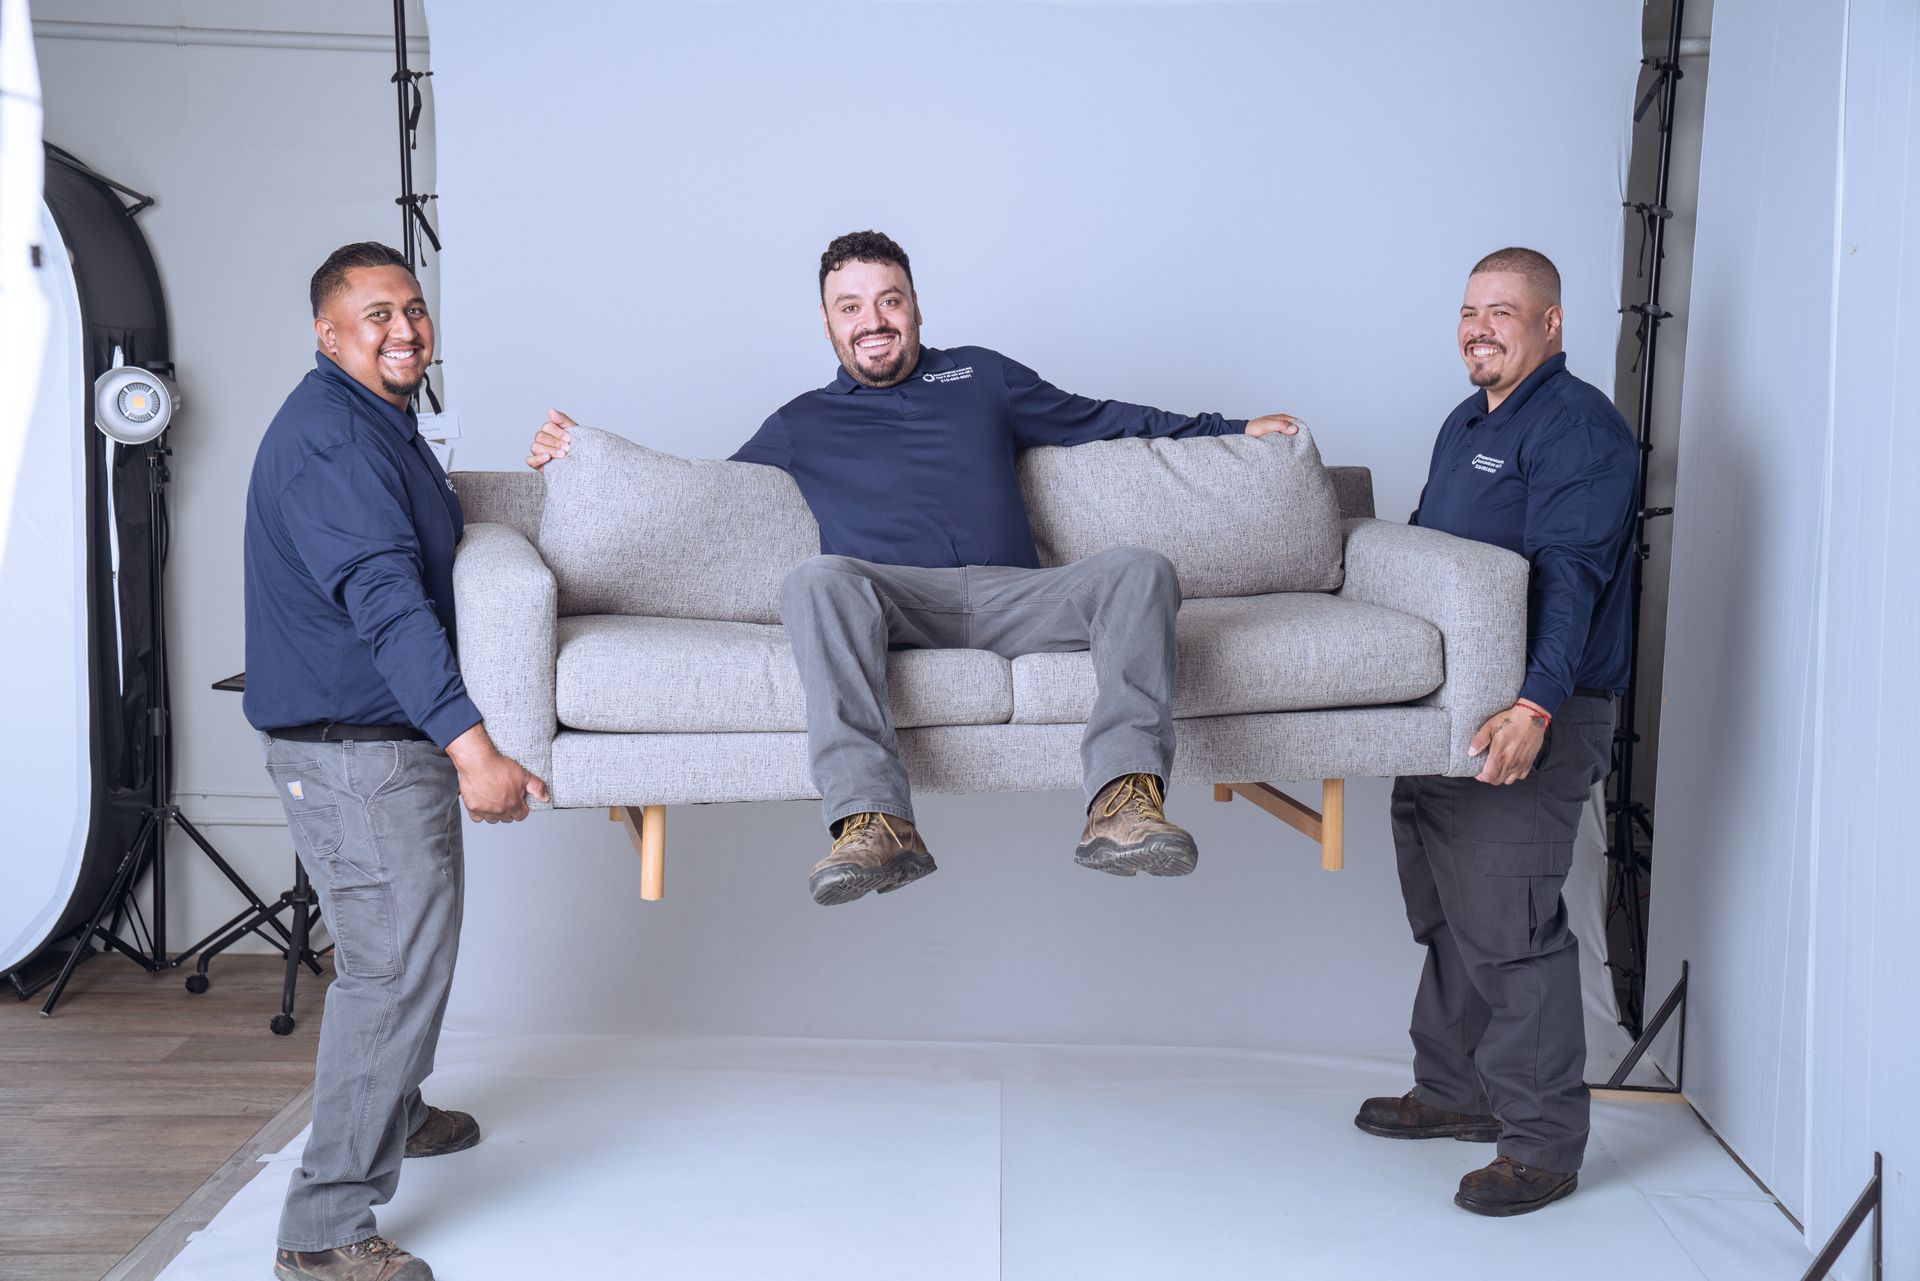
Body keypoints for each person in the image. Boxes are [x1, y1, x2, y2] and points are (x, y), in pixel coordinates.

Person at [529, 230, 1301, 906]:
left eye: (889, 299)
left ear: (917, 307)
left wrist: (1229, 430)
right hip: (896, 606)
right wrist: (582, 457)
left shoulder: (979, 376)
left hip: (1017, 595)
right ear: (828, 324)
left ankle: (1124, 802)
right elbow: (698, 496)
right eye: (851, 306)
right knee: (816, 576)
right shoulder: (803, 421)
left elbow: (1102, 418)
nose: (873, 320)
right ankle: (875, 822)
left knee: (1140, 568)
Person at [245, 241, 546, 1281]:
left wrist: (559, 478)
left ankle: (396, 1109)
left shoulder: (379, 423)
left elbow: (439, 540)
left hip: (373, 743)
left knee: (411, 952)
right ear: (327, 333)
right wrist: (476, 749)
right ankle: (323, 1230)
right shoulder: (333, 438)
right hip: (353, 752)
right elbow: (387, 602)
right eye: (376, 314)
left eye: (413, 309)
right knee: (392, 969)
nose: (405, 329)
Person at [1352, 248, 1637, 1217]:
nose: (1479, 326)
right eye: (1470, 310)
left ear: (1552, 324)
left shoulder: (1579, 430)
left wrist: (1534, 707)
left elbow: (1572, 578)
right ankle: (1455, 1093)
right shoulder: (1467, 421)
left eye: (1503, 312)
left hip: (1530, 716)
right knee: (1450, 917)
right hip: (1448, 718)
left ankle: (1544, 1146)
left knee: (1508, 927)